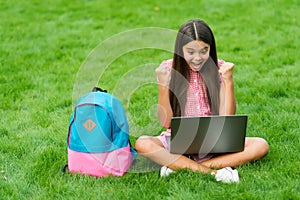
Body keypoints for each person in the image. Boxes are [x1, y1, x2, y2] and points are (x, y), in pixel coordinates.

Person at [134, 19, 269, 183]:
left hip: (213, 140)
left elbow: (227, 117)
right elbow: (166, 122)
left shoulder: (219, 69)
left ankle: (180, 165)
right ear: (180, 50)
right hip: (179, 141)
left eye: (204, 51)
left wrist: (229, 81)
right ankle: (214, 172)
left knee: (261, 145)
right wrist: (162, 86)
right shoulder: (169, 70)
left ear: (210, 49)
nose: (197, 58)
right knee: (143, 143)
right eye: (190, 52)